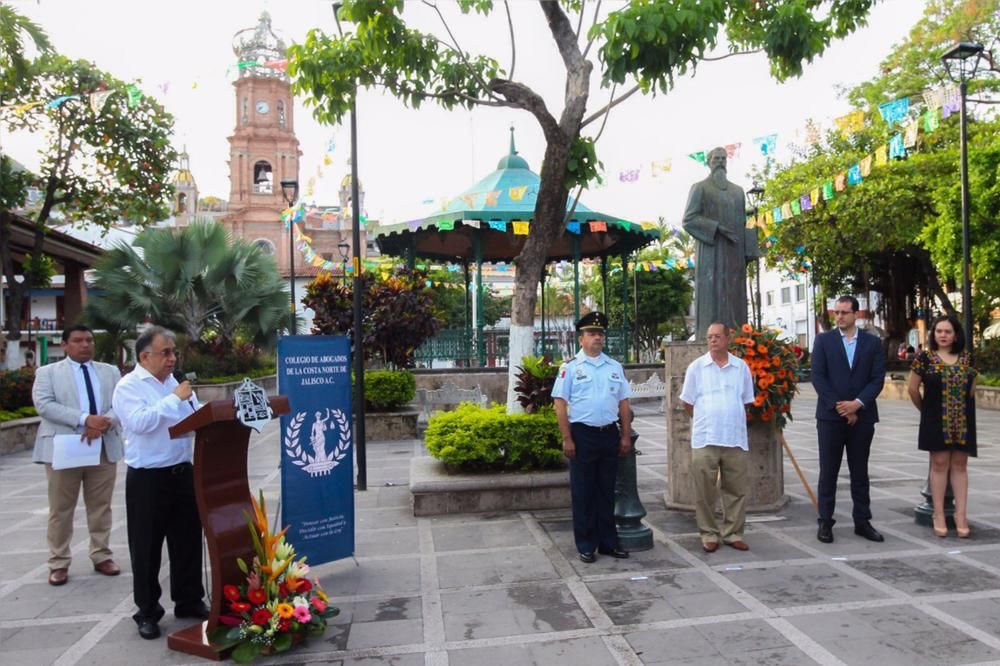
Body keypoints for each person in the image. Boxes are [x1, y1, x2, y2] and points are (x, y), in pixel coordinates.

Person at [112, 326, 208, 640]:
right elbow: (140, 422)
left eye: (173, 352)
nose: (172, 358)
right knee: (147, 546)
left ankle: (189, 600)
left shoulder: (175, 383)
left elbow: (195, 416)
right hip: (148, 478)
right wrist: (173, 399)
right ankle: (147, 611)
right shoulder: (128, 386)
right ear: (144, 356)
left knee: (188, 541)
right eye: (165, 352)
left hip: (182, 472)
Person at [31, 324, 123, 586]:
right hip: (64, 449)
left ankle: (101, 555)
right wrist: (85, 420)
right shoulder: (47, 373)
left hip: (102, 446)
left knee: (101, 506)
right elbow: (44, 405)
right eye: (78, 340)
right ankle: (58, 562)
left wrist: (103, 423)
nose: (85, 345)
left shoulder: (110, 371)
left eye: (89, 340)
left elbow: (121, 403)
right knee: (61, 508)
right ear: (64, 345)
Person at [552, 311, 632, 563]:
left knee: (607, 491)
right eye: (591, 334)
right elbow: (559, 404)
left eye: (600, 334)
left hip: (609, 434)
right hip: (582, 434)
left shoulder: (614, 367)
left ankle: (608, 543)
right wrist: (567, 438)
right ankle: (586, 544)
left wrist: (625, 435)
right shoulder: (570, 368)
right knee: (584, 492)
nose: (597, 337)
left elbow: (624, 402)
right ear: (581, 339)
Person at [811, 296, 887, 544]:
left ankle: (862, 521)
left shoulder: (872, 343)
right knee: (828, 471)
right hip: (830, 418)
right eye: (837, 312)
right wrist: (842, 407)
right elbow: (818, 377)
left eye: (844, 312)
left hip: (862, 417)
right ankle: (825, 521)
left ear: (856, 314)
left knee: (860, 471)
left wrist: (857, 404)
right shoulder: (824, 341)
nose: (840, 317)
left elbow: (877, 379)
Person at [679, 322, 756, 552]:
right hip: (706, 437)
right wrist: (708, 417)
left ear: (727, 339)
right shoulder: (696, 367)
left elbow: (746, 401)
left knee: (736, 489)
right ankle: (709, 534)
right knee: (704, 490)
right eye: (709, 336)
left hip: (734, 437)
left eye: (717, 336)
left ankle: (733, 533)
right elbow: (687, 403)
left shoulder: (741, 367)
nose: (712, 340)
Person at [907, 315, 977, 538]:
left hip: (962, 420)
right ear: (933, 334)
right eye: (939, 331)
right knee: (939, 464)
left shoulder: (967, 358)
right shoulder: (924, 359)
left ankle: (961, 515)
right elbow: (912, 389)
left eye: (948, 331)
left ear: (956, 335)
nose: (943, 335)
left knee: (960, 465)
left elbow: (972, 390)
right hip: (935, 419)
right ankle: (938, 515)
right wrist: (926, 411)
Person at [682, 147, 759, 337]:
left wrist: (750, 248)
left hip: (734, 251)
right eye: (716, 158)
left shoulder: (738, 192)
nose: (720, 162)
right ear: (709, 162)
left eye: (723, 158)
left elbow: (745, 222)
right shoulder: (700, 188)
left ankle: (738, 333)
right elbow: (689, 219)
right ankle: (709, 334)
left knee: (734, 292)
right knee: (711, 292)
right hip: (710, 251)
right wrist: (717, 228)